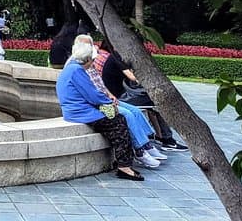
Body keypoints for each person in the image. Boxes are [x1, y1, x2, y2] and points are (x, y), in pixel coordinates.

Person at [56, 39, 144, 181]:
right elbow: (93, 94)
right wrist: (109, 103)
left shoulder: (72, 68)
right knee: (119, 122)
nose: (93, 63)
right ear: (87, 59)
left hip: (78, 111)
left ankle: (124, 162)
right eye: (92, 60)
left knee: (117, 120)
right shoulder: (77, 70)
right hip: (81, 113)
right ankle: (124, 166)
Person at [75, 35, 166, 168]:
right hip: (99, 103)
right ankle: (139, 151)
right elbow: (90, 94)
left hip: (106, 98)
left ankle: (146, 145)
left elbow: (101, 85)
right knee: (127, 115)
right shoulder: (78, 67)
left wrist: (111, 96)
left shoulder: (90, 63)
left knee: (135, 111)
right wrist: (107, 102)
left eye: (90, 45)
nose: (91, 50)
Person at [97, 40, 189, 152]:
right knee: (157, 100)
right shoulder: (117, 57)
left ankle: (162, 137)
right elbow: (133, 77)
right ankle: (167, 140)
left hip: (120, 94)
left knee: (152, 102)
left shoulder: (116, 56)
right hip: (120, 97)